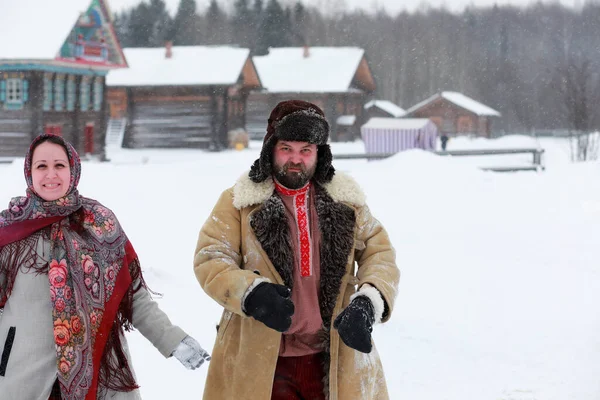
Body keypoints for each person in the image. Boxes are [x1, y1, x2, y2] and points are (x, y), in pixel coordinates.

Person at [194, 100, 400, 399]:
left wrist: (368, 301)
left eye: (306, 150)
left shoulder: (347, 202)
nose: (295, 159)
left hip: (335, 357)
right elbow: (211, 257)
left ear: (319, 153)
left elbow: (379, 254)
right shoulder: (239, 202)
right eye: (286, 148)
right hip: (261, 359)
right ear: (270, 149)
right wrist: (250, 292)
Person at [0, 134, 211, 399]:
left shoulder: (100, 225)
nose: (50, 174)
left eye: (59, 165)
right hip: (25, 375)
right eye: (41, 166)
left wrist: (172, 339)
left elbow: (133, 296)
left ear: (73, 169)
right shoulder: (8, 232)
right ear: (29, 172)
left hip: (99, 373)